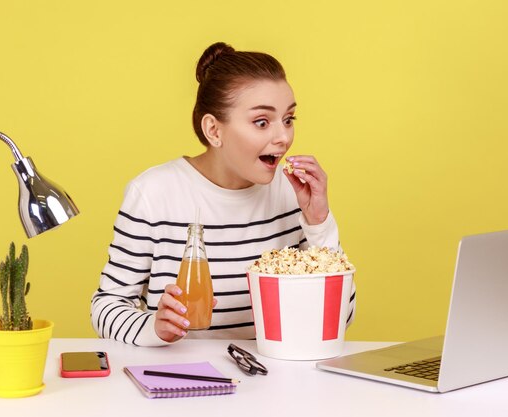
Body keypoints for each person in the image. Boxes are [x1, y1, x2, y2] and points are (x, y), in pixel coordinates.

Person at [91, 42, 356, 346]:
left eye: (288, 119)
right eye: (261, 122)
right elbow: (107, 306)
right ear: (214, 131)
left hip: (271, 376)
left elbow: (339, 318)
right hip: (179, 378)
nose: (283, 137)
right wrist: (154, 327)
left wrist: (319, 223)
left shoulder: (293, 194)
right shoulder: (153, 193)